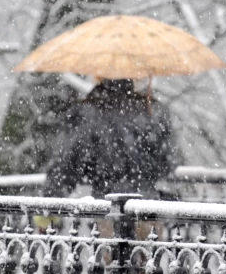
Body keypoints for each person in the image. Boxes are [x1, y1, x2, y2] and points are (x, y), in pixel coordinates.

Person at [43, 78, 177, 199]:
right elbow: (168, 162)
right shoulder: (150, 109)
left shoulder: (88, 112)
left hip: (106, 205)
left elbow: (68, 162)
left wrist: (51, 198)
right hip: (145, 205)